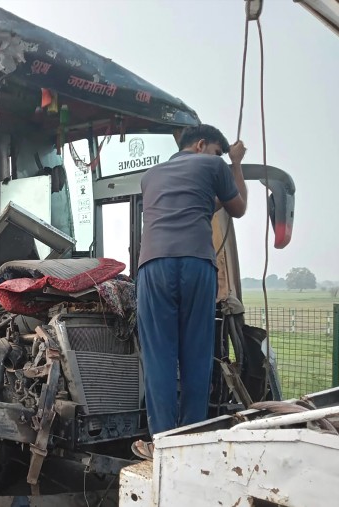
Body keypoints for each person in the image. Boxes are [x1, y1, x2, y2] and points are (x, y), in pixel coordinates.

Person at [132, 124, 247, 459]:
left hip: (152, 266)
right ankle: (193, 440)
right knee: (196, 353)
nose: (217, 158)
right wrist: (235, 164)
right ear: (201, 145)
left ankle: (162, 442)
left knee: (159, 359)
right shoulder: (213, 166)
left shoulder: (150, 176)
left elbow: (197, 206)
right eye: (216, 151)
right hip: (197, 263)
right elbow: (237, 208)